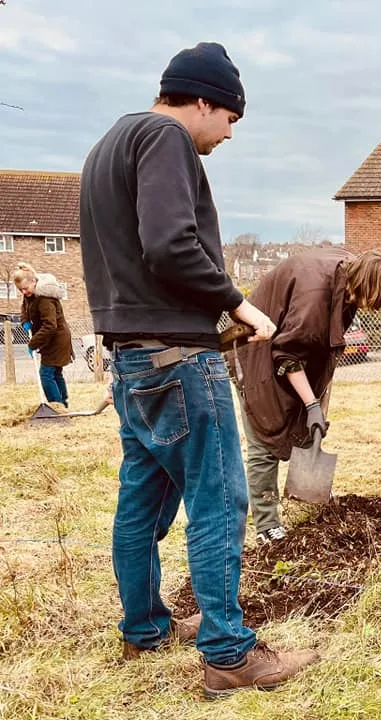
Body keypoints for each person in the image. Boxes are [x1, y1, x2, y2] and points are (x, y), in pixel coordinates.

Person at [79, 41, 317, 698]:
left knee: (142, 500)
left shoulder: (108, 145)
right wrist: (238, 305)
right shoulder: (164, 136)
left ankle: (145, 626)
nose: (231, 132)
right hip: (180, 362)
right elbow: (168, 242)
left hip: (132, 359)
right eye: (232, 118)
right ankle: (228, 654)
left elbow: (136, 258)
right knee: (219, 499)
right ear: (205, 100)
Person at [233, 248, 381, 543]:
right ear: (368, 287)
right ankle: (266, 525)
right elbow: (285, 354)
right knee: (265, 435)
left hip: (290, 345)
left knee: (303, 421)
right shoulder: (314, 297)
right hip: (257, 349)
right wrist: (312, 403)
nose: (374, 310)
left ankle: (302, 492)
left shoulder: (352, 269)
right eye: (378, 303)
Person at [14, 262, 72, 407]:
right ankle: (62, 404)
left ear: (34, 281)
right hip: (50, 339)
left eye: (25, 289)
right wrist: (25, 320)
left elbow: (50, 325)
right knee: (55, 373)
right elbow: (24, 306)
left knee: (46, 374)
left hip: (57, 339)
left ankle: (56, 406)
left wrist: (33, 344)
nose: (23, 292)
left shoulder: (44, 298)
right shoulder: (30, 295)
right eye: (20, 290)